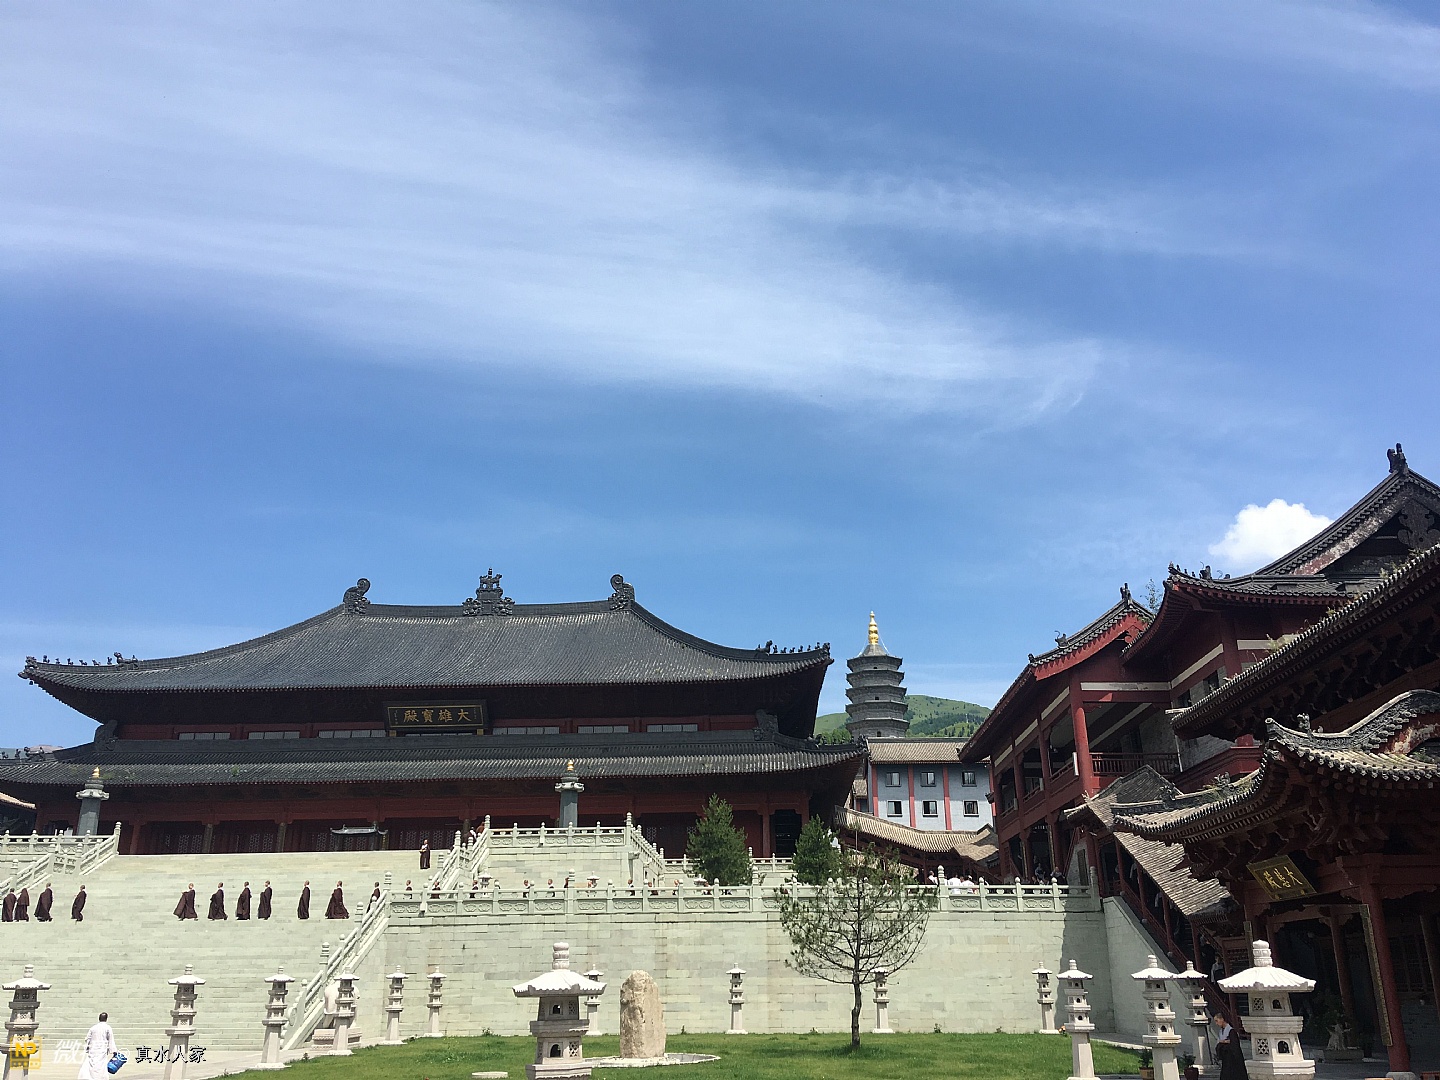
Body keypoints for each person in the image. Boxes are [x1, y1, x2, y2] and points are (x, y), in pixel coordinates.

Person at [77, 1011, 117, 1080]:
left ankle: (90, 1077)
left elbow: (87, 1038)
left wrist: (88, 1047)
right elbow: (111, 1039)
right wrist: (113, 1051)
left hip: (93, 1049)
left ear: (99, 1018)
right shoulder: (107, 1028)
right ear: (106, 1019)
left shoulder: (93, 1028)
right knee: (101, 1065)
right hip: (102, 1049)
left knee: (92, 1064)